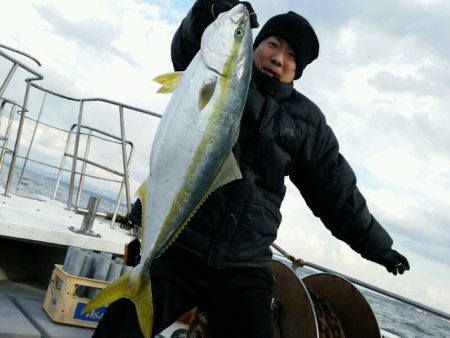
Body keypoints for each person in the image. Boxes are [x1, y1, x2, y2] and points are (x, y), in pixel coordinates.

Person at [94, 1, 410, 337]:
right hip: (178, 245)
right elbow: (190, 48)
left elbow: (336, 193)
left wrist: (379, 247)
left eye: (291, 56)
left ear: (297, 70)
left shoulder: (309, 124)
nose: (278, 58)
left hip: (243, 263)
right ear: (254, 47)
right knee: (120, 326)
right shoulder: (220, 77)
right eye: (272, 45)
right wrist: (208, 10)